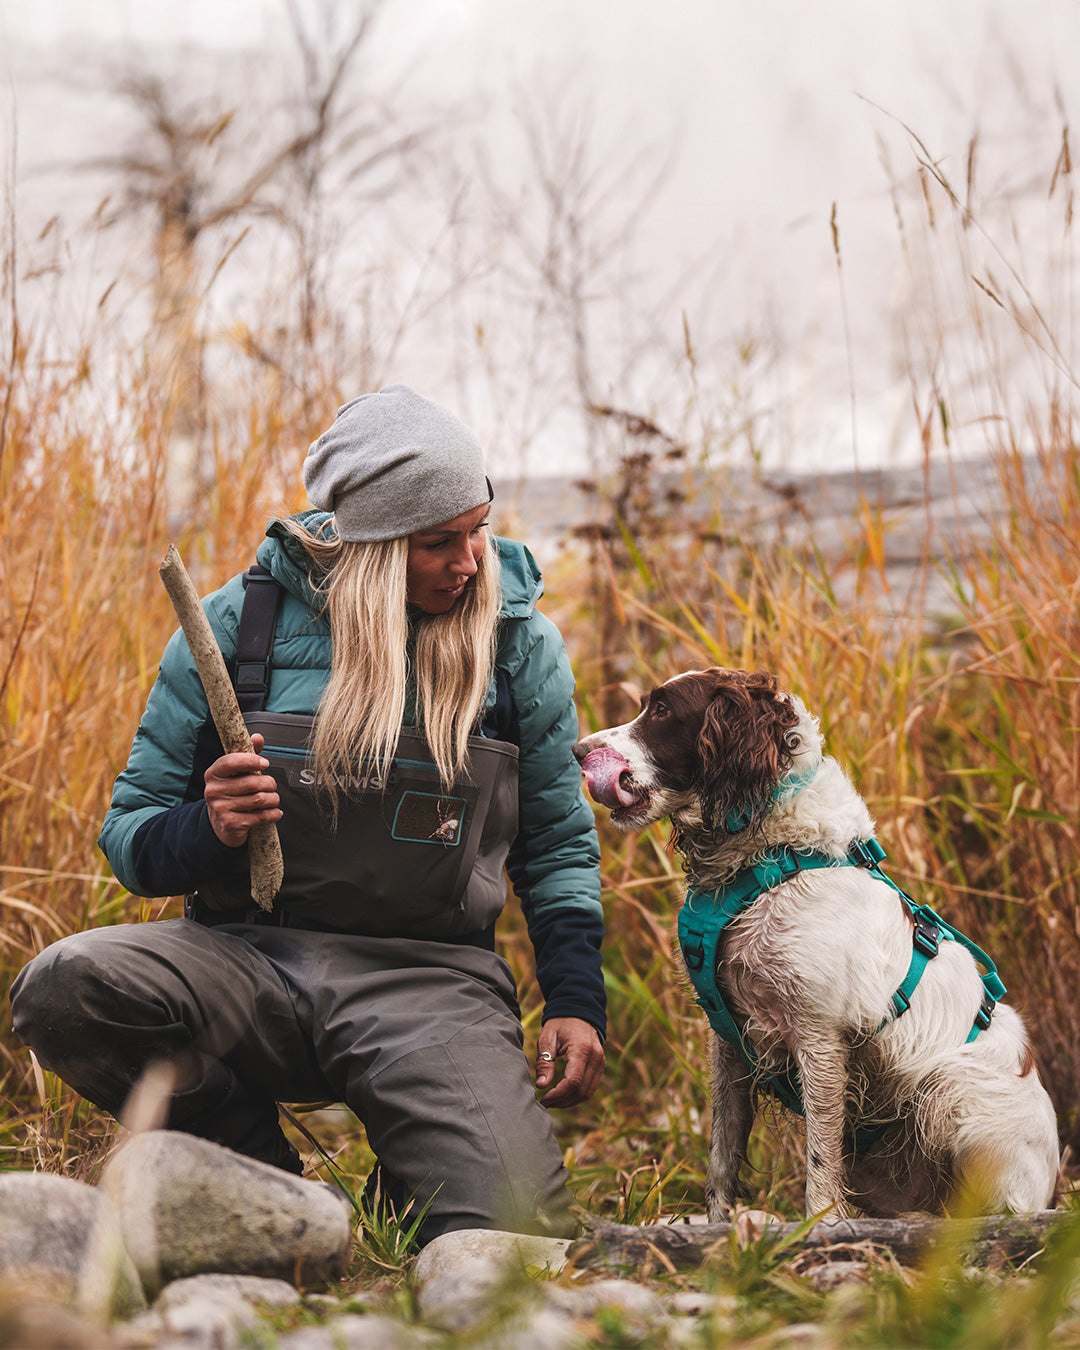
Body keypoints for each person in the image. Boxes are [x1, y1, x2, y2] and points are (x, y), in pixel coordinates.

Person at [11, 384, 605, 1243]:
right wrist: (207, 828)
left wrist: (575, 999)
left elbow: (556, 846)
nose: (472, 560)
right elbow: (130, 839)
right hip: (245, 964)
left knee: (516, 1236)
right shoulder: (230, 629)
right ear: (366, 545)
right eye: (438, 541)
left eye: (478, 527)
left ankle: (414, 1179)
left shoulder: (517, 647)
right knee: (66, 987)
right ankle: (255, 1168)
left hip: (429, 984)